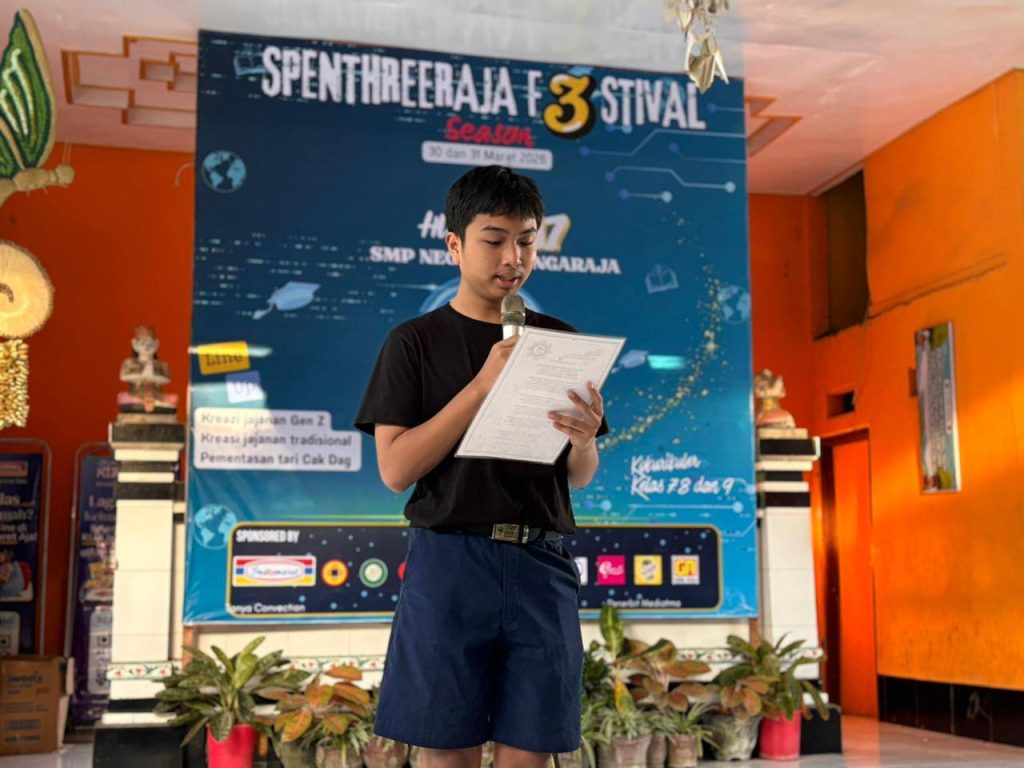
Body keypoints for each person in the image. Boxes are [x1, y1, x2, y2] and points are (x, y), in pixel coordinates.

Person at [355, 165, 607, 768]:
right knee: (447, 752)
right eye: (494, 240)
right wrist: (481, 387)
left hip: (541, 563)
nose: (513, 258)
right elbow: (395, 470)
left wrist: (585, 440)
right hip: (450, 562)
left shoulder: (559, 342)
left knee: (533, 752)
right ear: (455, 244)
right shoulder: (413, 342)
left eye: (527, 241)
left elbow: (577, 475)